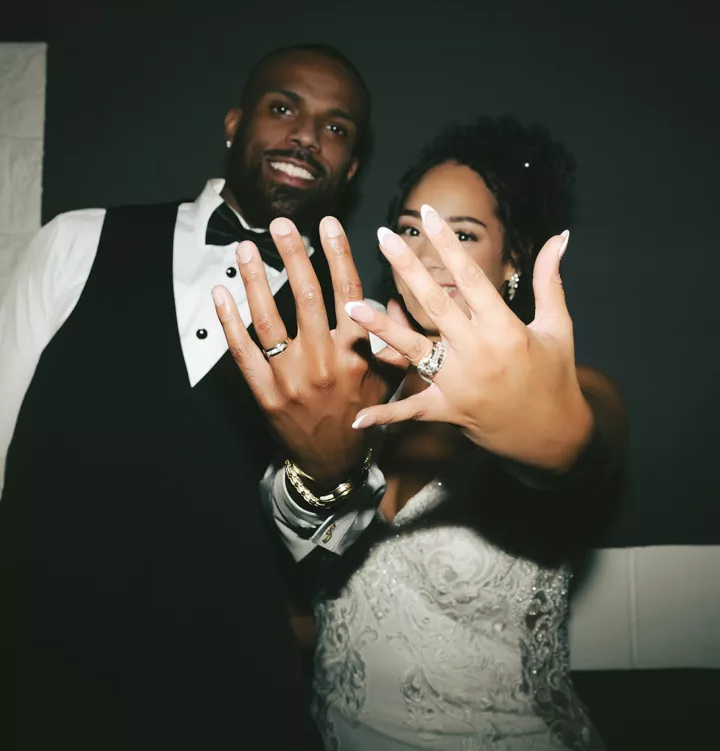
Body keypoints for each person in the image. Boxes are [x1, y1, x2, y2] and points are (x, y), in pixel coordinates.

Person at [0, 43, 394, 750]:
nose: (306, 135)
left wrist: (327, 476)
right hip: (41, 665)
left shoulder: (350, 332)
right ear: (234, 124)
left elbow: (315, 540)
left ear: (353, 167)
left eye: (336, 128)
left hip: (229, 692)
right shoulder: (75, 241)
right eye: (283, 108)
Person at [215, 116, 627, 750]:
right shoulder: (346, 382)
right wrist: (317, 478)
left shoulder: (569, 387)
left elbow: (588, 442)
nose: (426, 253)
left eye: (461, 233)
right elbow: (307, 596)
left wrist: (560, 441)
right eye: (411, 228)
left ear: (513, 259)